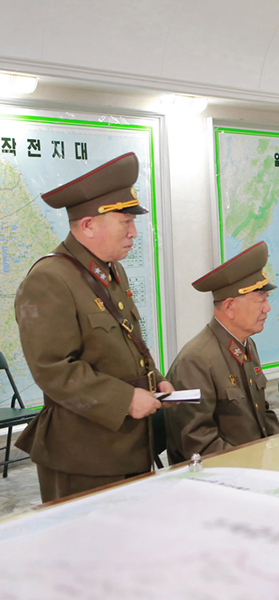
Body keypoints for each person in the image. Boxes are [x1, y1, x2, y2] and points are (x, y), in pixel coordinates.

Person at [15, 152, 174, 502]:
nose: (134, 232)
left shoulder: (110, 272)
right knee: (86, 550)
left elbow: (126, 344)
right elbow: (53, 370)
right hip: (84, 453)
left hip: (127, 442)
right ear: (88, 225)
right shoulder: (50, 279)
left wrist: (155, 379)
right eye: (125, 222)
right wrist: (125, 399)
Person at [165, 241, 279, 463]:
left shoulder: (245, 345)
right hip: (222, 475)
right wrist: (250, 466)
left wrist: (276, 450)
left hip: (254, 466)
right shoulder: (196, 360)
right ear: (229, 307)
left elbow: (263, 415)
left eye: (266, 300)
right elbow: (198, 443)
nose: (267, 308)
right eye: (260, 300)